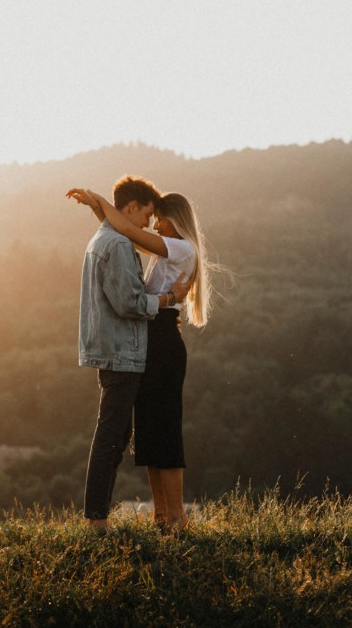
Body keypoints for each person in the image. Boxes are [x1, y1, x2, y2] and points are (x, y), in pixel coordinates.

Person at [67, 184, 217, 533]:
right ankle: (162, 517)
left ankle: (176, 518)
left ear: (175, 221)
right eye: (153, 217)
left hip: (162, 339)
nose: (154, 226)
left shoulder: (179, 248)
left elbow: (128, 230)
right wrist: (98, 210)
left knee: (164, 430)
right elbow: (121, 232)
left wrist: (100, 201)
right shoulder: (165, 251)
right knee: (149, 433)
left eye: (159, 219)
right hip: (151, 338)